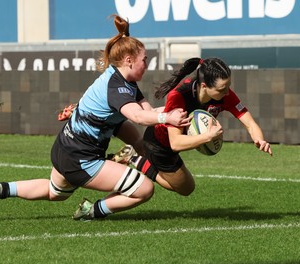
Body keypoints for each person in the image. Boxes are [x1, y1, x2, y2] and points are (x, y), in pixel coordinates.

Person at [0, 15, 191, 221]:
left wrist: (175, 112)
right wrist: (166, 117)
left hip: (64, 148)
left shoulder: (119, 79)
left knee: (54, 192)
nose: (147, 64)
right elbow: (139, 116)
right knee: (143, 189)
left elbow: (147, 111)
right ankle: (92, 210)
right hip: (81, 158)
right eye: (145, 59)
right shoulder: (118, 87)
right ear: (129, 60)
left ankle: (0, 188)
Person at [114, 57, 273, 196]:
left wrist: (259, 139)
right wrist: (208, 137)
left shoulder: (225, 94)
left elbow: (249, 122)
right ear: (204, 86)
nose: (227, 92)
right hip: (160, 144)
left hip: (175, 143)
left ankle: (134, 154)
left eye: (228, 86)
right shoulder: (179, 96)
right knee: (185, 189)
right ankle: (133, 158)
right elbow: (175, 143)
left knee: (187, 187)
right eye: (222, 89)